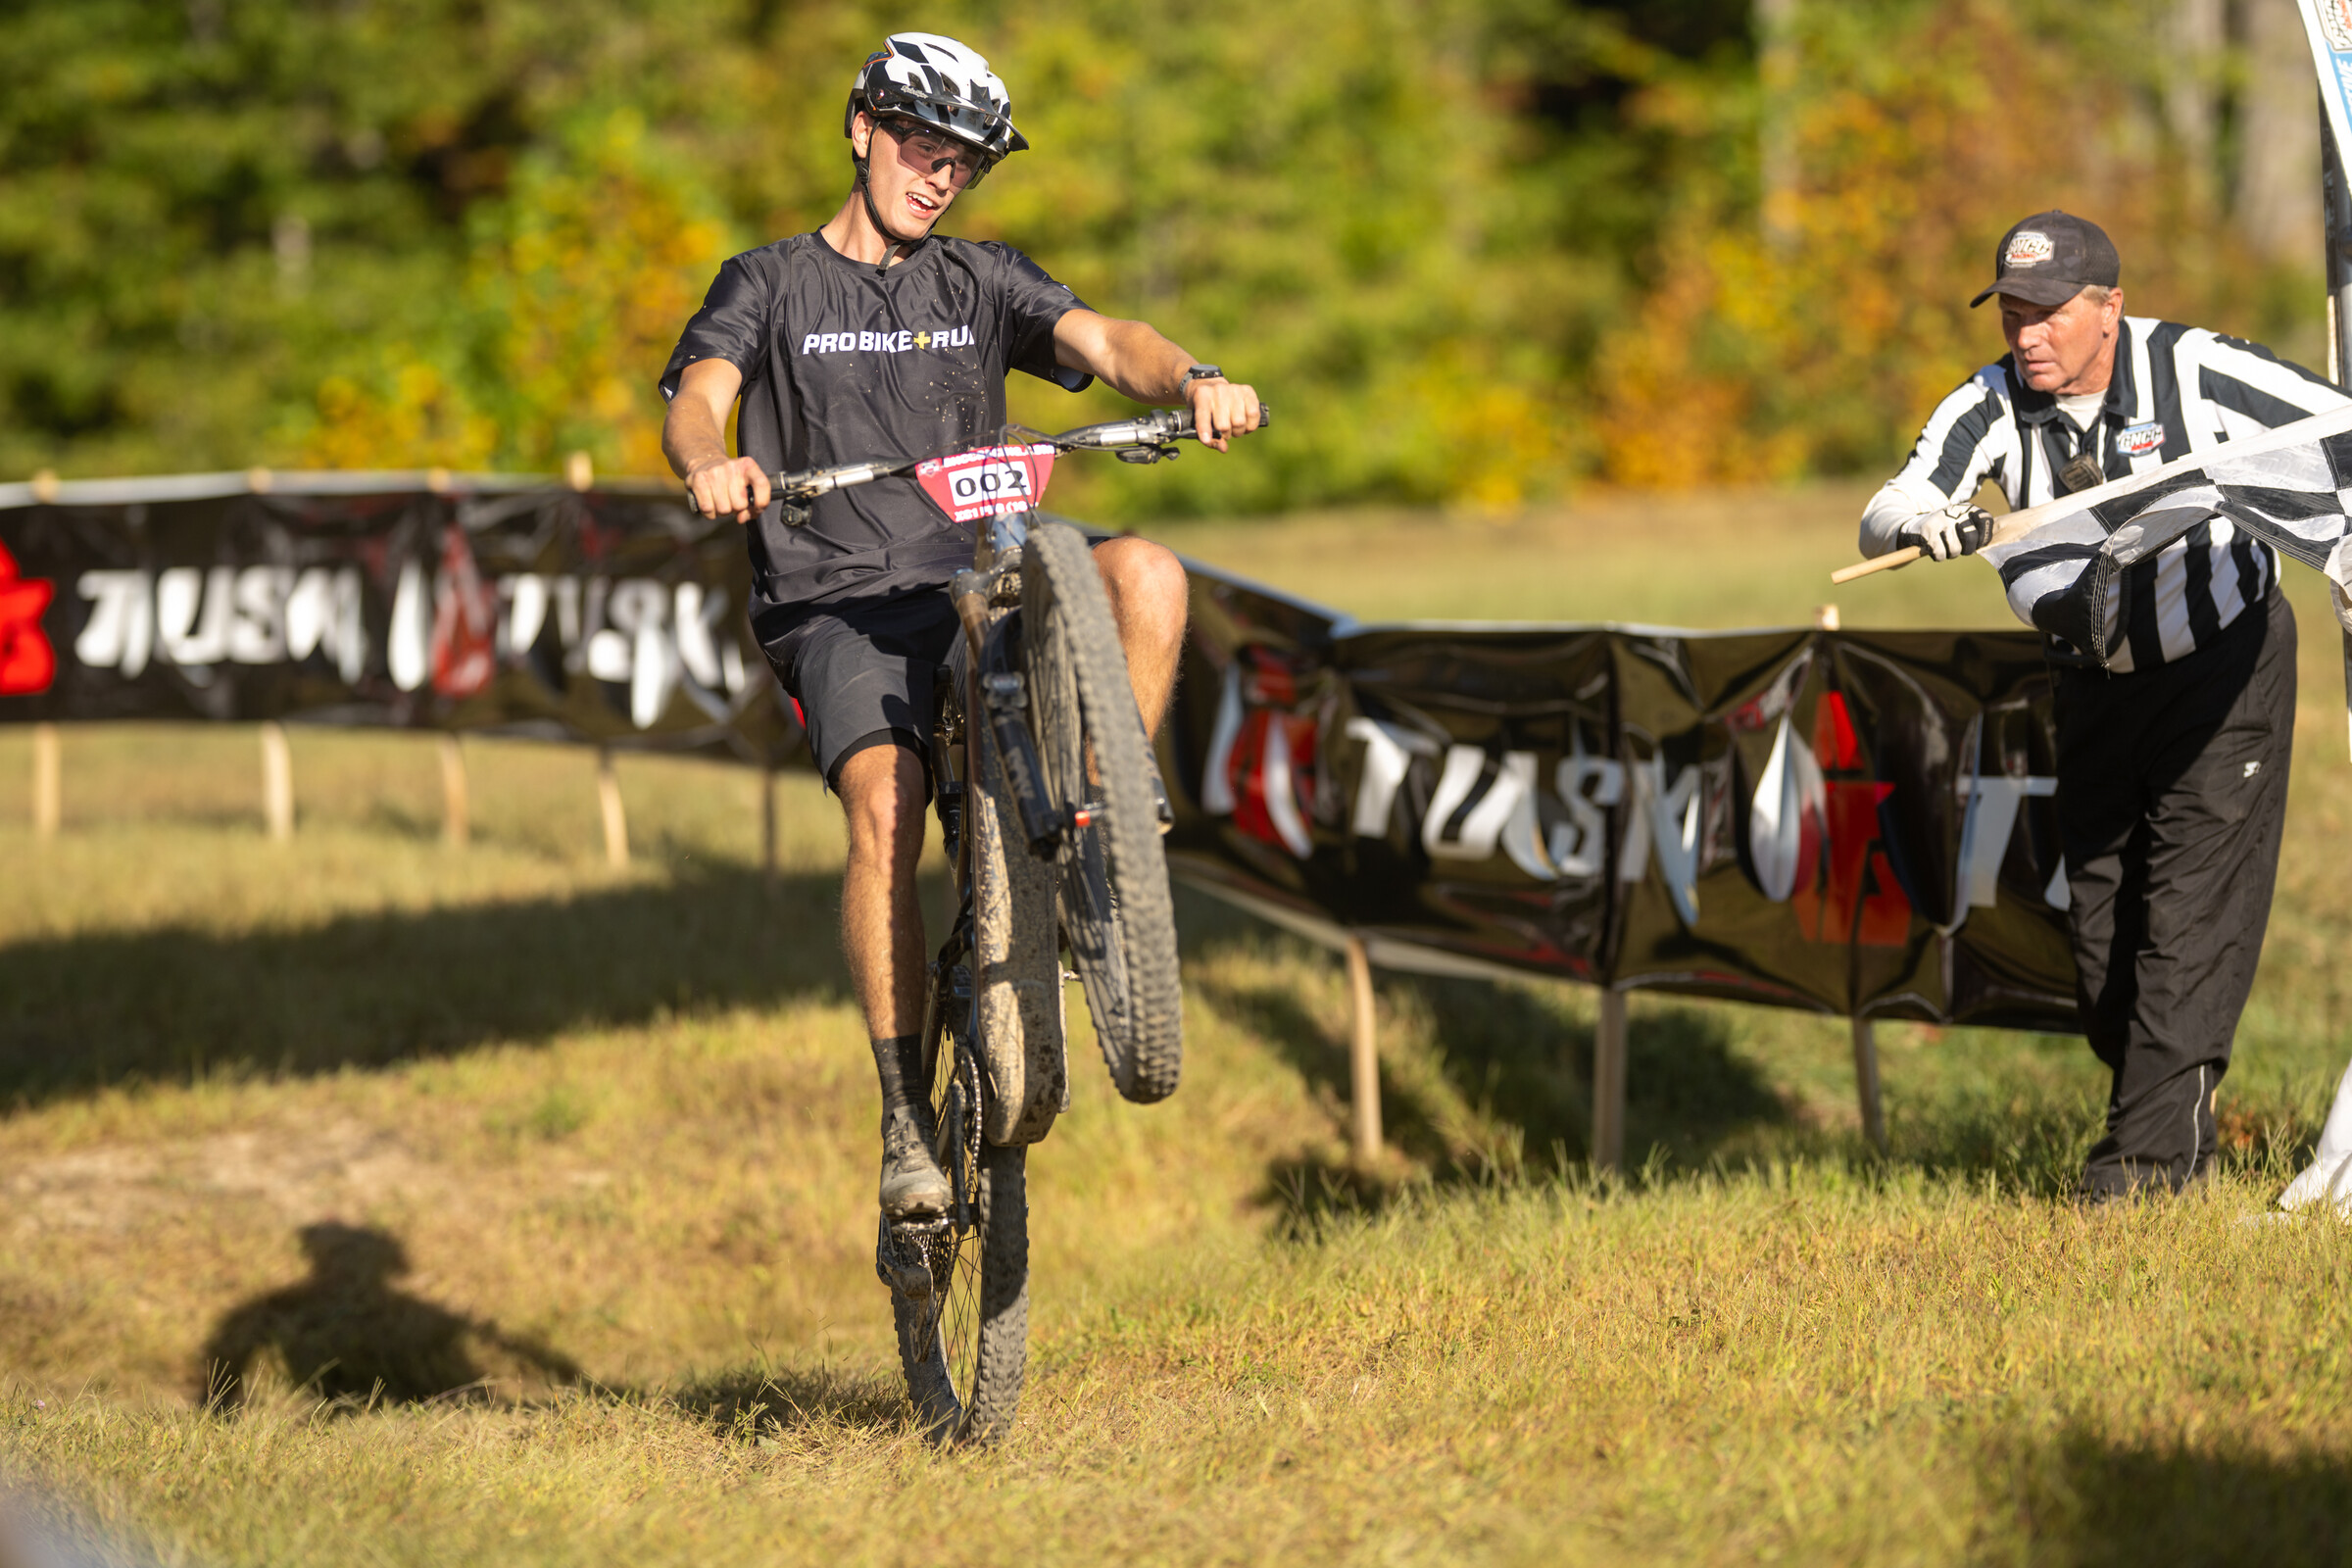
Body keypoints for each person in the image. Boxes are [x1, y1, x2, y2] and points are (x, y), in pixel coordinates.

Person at [659, 33, 1261, 1222]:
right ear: (862, 129)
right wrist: (711, 465)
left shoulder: (980, 280)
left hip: (974, 575)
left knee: (1148, 571)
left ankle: (1103, 846)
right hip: (839, 601)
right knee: (885, 804)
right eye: (923, 148)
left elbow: (1109, 343)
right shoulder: (768, 282)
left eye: (964, 164)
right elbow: (700, 394)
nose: (940, 177)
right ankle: (901, 1117)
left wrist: (1194, 376)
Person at [1860, 210, 2347, 1200]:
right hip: (2090, 687)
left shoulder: (2197, 369)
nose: (2026, 334)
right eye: (2010, 314)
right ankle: (2176, 1112)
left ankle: (2143, 1173)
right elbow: (1887, 508)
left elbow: (2335, 427)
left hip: (2223, 672)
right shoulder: (1988, 402)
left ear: (2109, 308)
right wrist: (1934, 521)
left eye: (2047, 312)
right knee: (2105, 954)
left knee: (2186, 919)